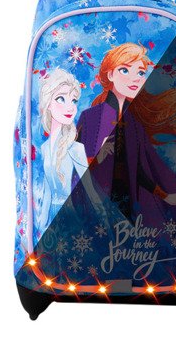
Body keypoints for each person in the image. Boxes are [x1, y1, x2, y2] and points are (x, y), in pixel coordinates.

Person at [76, 42, 176, 228]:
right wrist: (98, 158)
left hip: (130, 205)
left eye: (140, 73)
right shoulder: (92, 118)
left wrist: (164, 196)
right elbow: (77, 169)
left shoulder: (133, 122)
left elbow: (139, 169)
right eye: (125, 70)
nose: (135, 79)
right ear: (110, 75)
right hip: (99, 207)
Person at [35, 68, 103, 236]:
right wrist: (41, 226)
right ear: (48, 104)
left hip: (72, 218)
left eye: (73, 101)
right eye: (61, 99)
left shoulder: (76, 148)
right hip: (51, 220)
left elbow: (90, 190)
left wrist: (104, 221)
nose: (70, 107)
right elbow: (48, 191)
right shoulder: (44, 148)